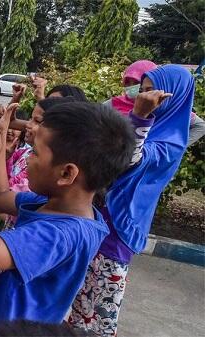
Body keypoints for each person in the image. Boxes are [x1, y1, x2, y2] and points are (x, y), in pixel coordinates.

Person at [0, 101, 136, 336]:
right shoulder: (52, 204)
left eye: (36, 153)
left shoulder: (60, 235)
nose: (28, 158)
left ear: (67, 173)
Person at [69, 65, 196, 337]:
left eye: (153, 91)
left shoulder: (170, 141)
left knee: (101, 309)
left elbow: (129, 160)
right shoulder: (145, 124)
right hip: (99, 215)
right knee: (81, 301)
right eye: (143, 90)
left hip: (119, 228)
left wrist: (139, 116)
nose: (144, 97)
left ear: (175, 97)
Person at [104, 59, 205, 146]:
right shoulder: (113, 104)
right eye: (127, 83)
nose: (131, 88)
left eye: (136, 83)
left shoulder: (164, 109)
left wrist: (178, 145)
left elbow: (201, 126)